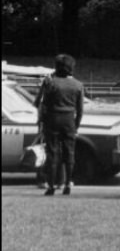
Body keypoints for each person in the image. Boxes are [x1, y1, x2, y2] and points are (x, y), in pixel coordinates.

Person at [34, 54, 85, 196]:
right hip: (69, 120)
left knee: (52, 153)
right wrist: (76, 126)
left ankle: (51, 186)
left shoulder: (50, 82)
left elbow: (38, 103)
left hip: (52, 119)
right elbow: (80, 111)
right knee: (69, 153)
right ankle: (67, 183)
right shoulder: (78, 85)